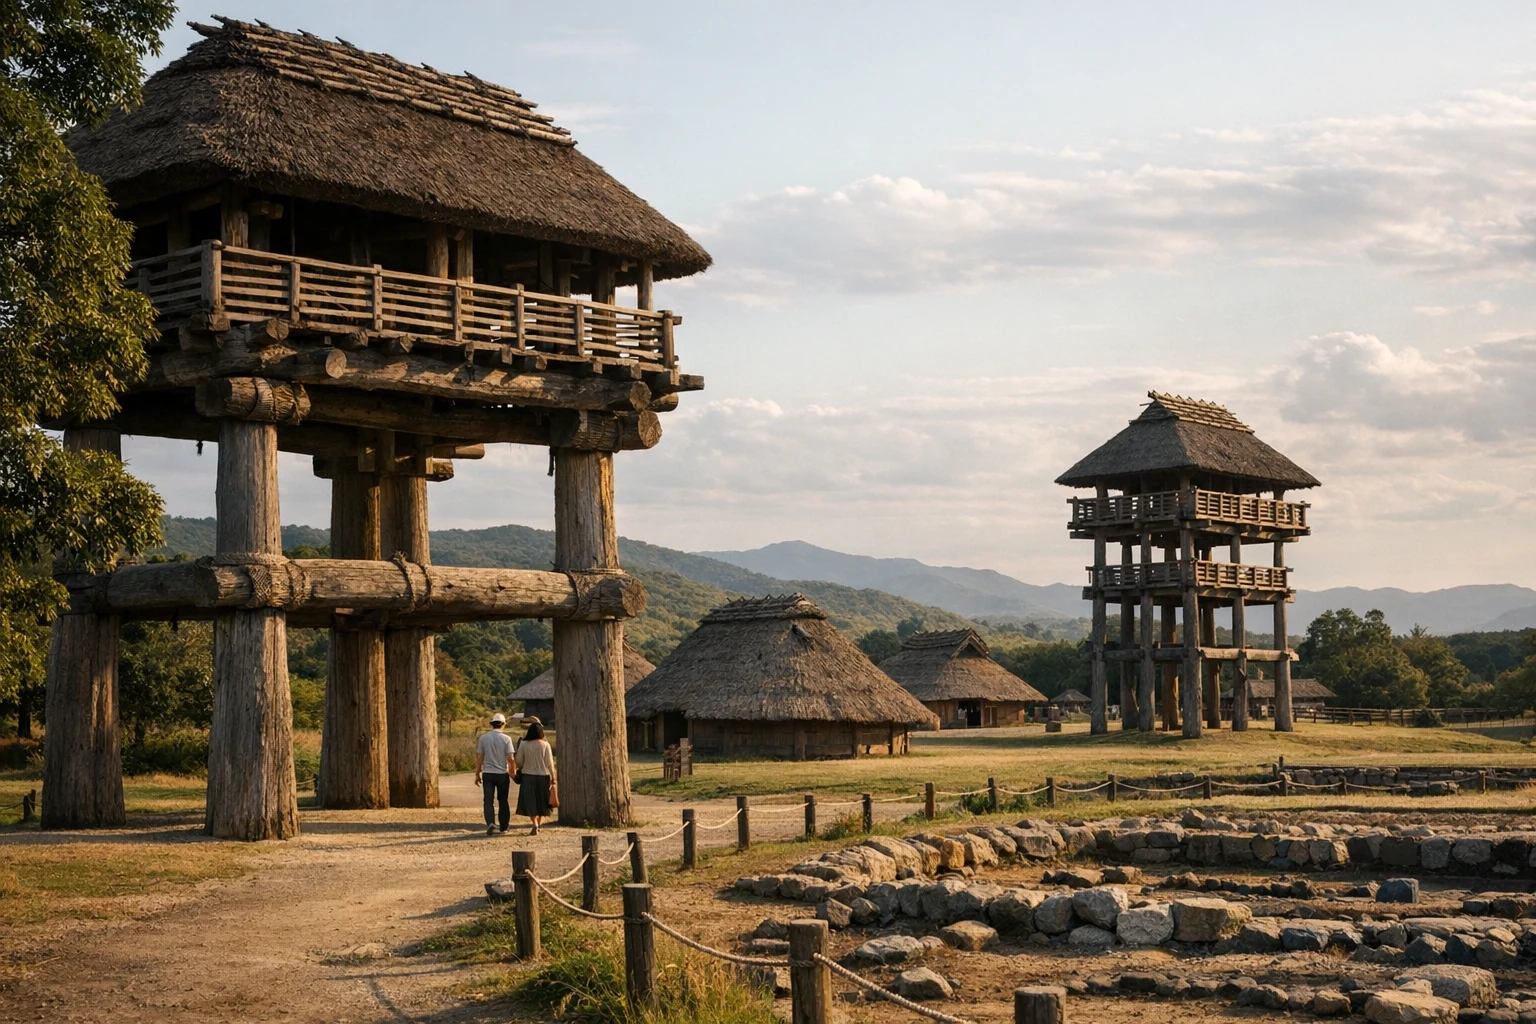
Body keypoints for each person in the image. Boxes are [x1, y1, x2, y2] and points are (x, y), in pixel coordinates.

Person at [475, 712, 516, 835]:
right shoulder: (506, 739)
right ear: (503, 724)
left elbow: (480, 757)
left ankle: (490, 823)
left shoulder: (483, 738)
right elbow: (510, 758)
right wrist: (513, 772)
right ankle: (504, 826)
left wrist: (477, 773)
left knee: (488, 800)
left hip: (488, 773)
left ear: (492, 724)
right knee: (503, 800)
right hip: (502, 773)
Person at [514, 721, 556, 835]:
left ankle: (534, 824)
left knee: (530, 801)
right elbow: (550, 763)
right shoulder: (545, 744)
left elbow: (519, 762)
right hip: (543, 776)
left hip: (528, 776)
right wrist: (553, 777)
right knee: (541, 801)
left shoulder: (523, 744)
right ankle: (539, 823)